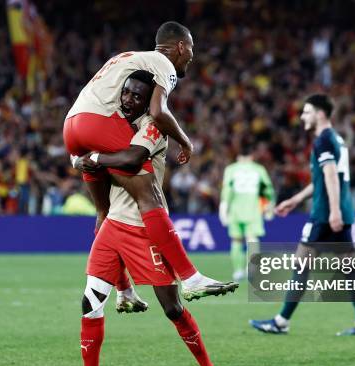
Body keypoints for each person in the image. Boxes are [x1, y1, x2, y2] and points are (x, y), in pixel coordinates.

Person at [54, 71, 234, 366]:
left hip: (144, 228)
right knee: (91, 301)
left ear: (149, 101)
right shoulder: (113, 123)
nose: (128, 100)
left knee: (172, 308)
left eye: (137, 97)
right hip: (113, 226)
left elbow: (130, 158)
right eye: (126, 93)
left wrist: (90, 159)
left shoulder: (153, 126)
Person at [63, 21, 237, 300]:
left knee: (104, 212)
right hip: (98, 123)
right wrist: (185, 140)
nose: (192, 56)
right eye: (191, 49)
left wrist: (86, 156)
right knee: (149, 196)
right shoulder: (163, 64)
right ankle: (191, 278)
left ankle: (124, 291)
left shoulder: (128, 57)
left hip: (72, 126)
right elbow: (157, 110)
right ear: (181, 46)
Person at [249, 94, 355, 336]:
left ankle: (281, 321)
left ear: (320, 114)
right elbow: (322, 178)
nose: (302, 116)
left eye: (306, 112)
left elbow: (330, 176)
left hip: (325, 215)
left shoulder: (323, 140)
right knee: (349, 267)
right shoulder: (335, 138)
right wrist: (295, 200)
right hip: (339, 213)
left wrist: (333, 211)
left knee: (301, 264)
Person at [219, 144, 275, 281]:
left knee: (236, 240)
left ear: (238, 157)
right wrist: (269, 207)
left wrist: (223, 207)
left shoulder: (231, 169)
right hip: (253, 210)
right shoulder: (258, 169)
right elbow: (267, 190)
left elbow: (227, 190)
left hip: (235, 210)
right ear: (252, 156)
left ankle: (238, 271)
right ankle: (252, 269)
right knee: (252, 239)